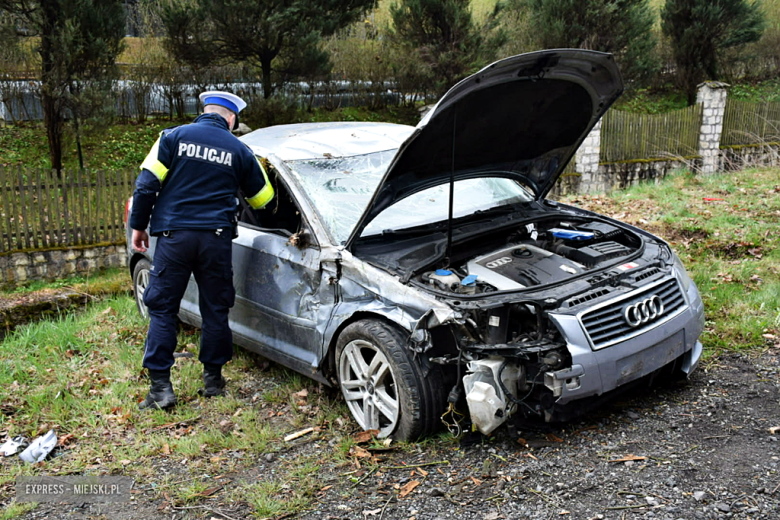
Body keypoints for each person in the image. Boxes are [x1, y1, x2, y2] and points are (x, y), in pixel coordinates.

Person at [128, 91, 274, 411]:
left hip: (174, 237)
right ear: (231, 118)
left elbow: (146, 185)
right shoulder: (239, 149)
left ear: (204, 111)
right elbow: (264, 199)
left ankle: (161, 389)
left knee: (163, 308)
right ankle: (213, 381)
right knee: (215, 308)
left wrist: (138, 226)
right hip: (215, 240)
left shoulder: (171, 138)